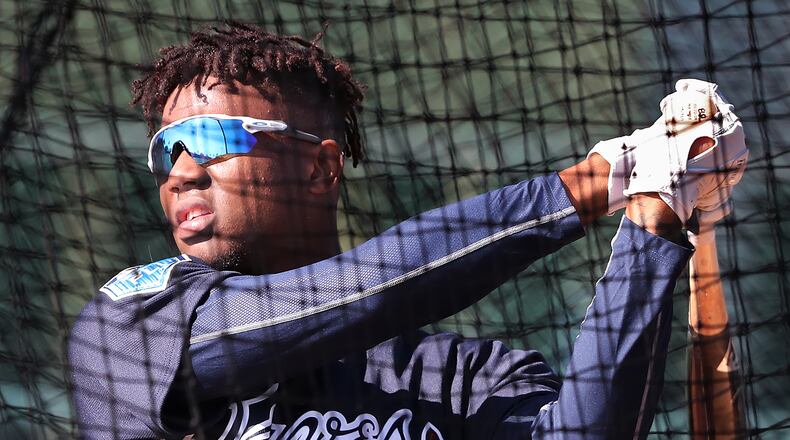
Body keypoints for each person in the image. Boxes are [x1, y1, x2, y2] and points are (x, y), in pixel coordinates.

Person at [68, 21, 748, 440]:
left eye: (209, 138)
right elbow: (355, 293)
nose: (179, 173)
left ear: (319, 168)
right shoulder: (129, 324)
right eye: (165, 149)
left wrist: (653, 220)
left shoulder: (462, 376)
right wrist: (600, 178)